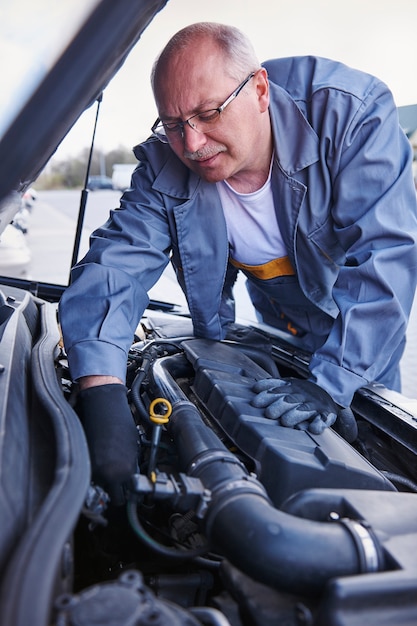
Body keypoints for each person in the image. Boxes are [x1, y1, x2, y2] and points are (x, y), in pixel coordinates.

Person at [59, 22, 417, 503]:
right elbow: (117, 262)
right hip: (279, 319)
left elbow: (387, 258)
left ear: (261, 89)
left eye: (209, 114)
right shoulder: (169, 160)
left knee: (370, 457)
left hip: (361, 328)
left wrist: (336, 384)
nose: (192, 144)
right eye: (173, 124)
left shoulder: (350, 115)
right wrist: (101, 389)